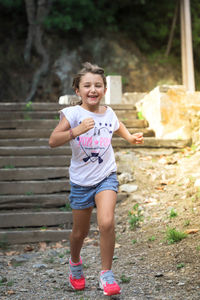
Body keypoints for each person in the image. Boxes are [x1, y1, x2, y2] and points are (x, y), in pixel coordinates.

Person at [49, 62, 143, 296]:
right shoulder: (72, 114)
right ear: (78, 91)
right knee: (79, 233)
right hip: (81, 182)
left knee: (107, 222)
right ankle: (74, 263)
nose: (93, 89)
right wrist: (77, 130)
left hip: (106, 176)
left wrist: (129, 137)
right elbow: (53, 140)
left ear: (104, 90)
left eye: (98, 85)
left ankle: (106, 274)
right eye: (87, 85)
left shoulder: (108, 112)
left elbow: (116, 124)